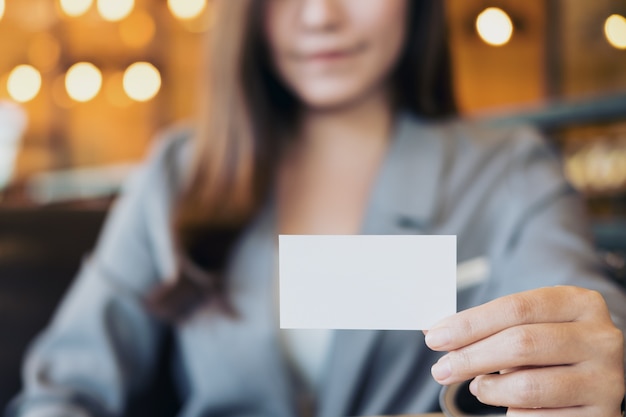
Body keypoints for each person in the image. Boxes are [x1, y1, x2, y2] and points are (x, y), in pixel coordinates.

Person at [7, 1, 626, 416]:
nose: (319, 16)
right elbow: (63, 387)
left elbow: (584, 312)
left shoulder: (508, 170)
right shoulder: (179, 170)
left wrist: (595, 359)